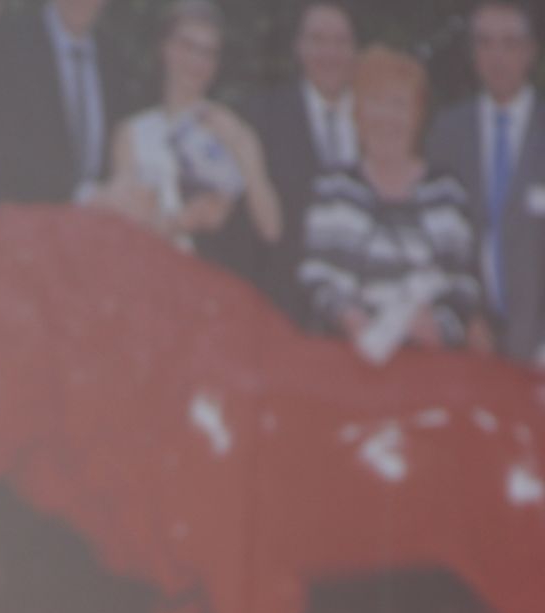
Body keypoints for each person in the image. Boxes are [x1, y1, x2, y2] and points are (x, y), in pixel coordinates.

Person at [298, 45, 489, 363]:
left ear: (417, 115)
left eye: (398, 103)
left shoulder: (445, 192)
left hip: (430, 364)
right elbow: (316, 277)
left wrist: (439, 325)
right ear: (358, 112)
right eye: (374, 101)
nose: (386, 116)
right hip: (348, 360)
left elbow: (464, 283)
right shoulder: (334, 189)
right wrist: (349, 317)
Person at [99, 0, 281, 281]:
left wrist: (242, 150)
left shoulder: (233, 129)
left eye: (208, 53)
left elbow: (271, 229)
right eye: (188, 46)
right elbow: (121, 229)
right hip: (144, 278)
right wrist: (184, 220)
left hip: (212, 280)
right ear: (166, 48)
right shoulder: (132, 132)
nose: (197, 61)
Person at [427, 1, 545, 365]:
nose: (497, 57)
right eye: (485, 42)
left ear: (531, 51)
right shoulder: (447, 131)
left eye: (510, 43)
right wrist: (466, 315)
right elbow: (434, 237)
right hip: (471, 342)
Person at [249, 2, 360, 324]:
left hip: (365, 317)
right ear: (299, 46)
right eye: (317, 39)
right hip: (286, 314)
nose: (329, 53)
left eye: (340, 41)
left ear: (355, 49)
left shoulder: (379, 119)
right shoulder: (263, 118)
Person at [0, 0, 136, 205]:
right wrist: (82, 195)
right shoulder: (7, 44)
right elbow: (1, 148)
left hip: (98, 218)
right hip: (28, 213)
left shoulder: (112, 58)